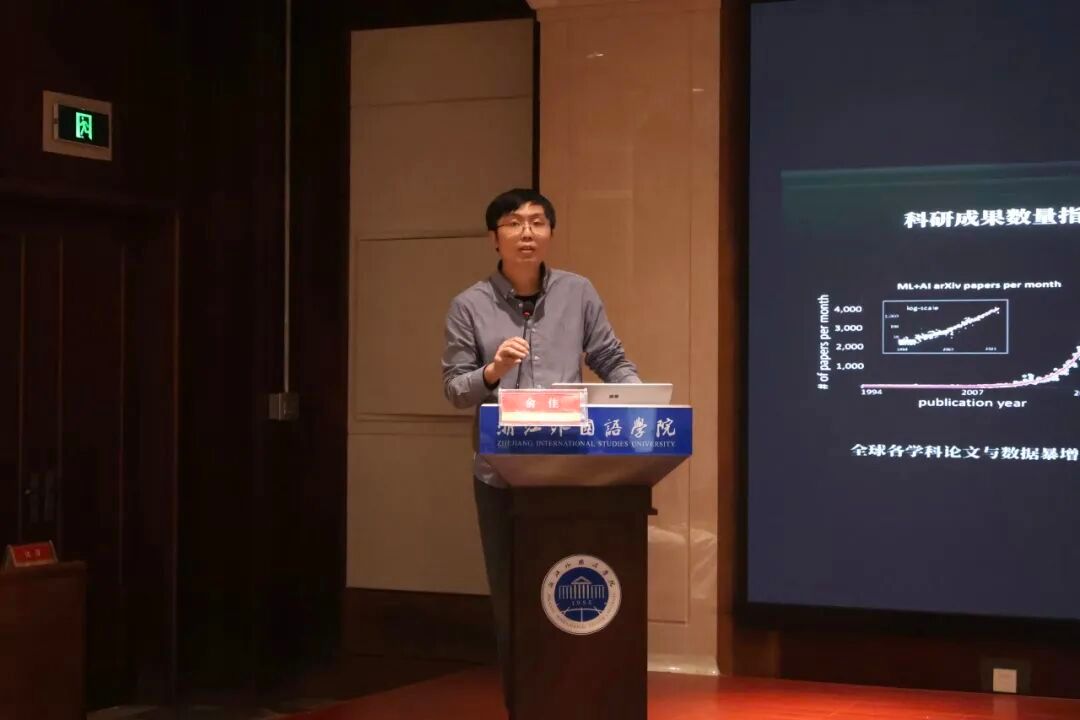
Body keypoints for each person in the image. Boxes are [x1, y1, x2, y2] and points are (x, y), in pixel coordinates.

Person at [441, 187, 640, 708]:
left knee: (576, 590)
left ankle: (584, 702)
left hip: (573, 469)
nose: (526, 232)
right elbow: (456, 390)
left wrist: (638, 399)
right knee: (515, 598)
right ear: (495, 238)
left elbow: (611, 359)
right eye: (513, 223)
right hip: (502, 475)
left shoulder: (578, 292)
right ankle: (525, 707)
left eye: (537, 222)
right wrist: (493, 370)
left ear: (550, 232)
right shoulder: (469, 305)